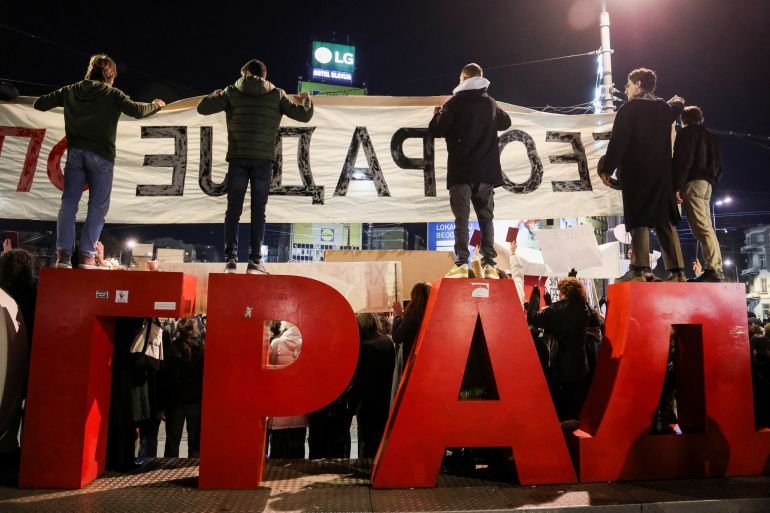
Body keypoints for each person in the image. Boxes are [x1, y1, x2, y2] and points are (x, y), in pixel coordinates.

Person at [33, 54, 165, 269]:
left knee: (68, 205)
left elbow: (40, 104)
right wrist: (156, 104)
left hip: (75, 154)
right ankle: (86, 256)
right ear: (111, 76)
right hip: (102, 156)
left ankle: (63, 256)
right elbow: (138, 111)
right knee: (97, 207)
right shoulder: (113, 94)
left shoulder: (71, 90)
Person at [197, 59, 314, 274]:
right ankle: (254, 261)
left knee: (233, 211)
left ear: (247, 73)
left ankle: (231, 260)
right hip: (263, 161)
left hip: (238, 158)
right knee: (258, 212)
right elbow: (304, 116)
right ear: (263, 75)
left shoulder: (231, 92)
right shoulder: (277, 94)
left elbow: (202, 108)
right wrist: (307, 100)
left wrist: (215, 95)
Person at [599, 68, 686, 282]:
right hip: (661, 175)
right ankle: (677, 272)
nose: (626, 89)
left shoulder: (628, 110)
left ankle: (640, 269)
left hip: (636, 172)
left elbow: (618, 142)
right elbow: (677, 105)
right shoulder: (664, 110)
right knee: (664, 220)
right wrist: (678, 102)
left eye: (628, 84)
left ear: (638, 84)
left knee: (638, 219)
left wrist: (606, 169)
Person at [429, 63, 511, 279]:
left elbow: (437, 130)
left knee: (462, 220)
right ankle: (490, 265)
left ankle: (462, 264)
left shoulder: (454, 103)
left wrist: (437, 115)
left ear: (463, 78)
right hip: (486, 173)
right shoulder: (490, 103)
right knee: (486, 219)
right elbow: (506, 122)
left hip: (461, 172)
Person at [673, 106, 726, 282]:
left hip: (692, 182)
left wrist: (677, 186)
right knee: (706, 226)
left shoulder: (686, 134)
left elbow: (684, 160)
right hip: (707, 184)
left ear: (684, 120)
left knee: (701, 227)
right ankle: (715, 267)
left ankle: (714, 269)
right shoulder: (710, 136)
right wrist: (712, 181)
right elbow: (719, 164)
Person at [527, 278, 590, 426]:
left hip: (560, 365)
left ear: (564, 292)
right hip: (580, 365)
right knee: (573, 409)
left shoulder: (558, 310)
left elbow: (533, 318)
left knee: (559, 410)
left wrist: (535, 295)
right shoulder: (584, 309)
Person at [351, 313, 395, 458]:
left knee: (367, 434)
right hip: (385, 395)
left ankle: (366, 462)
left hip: (366, 398)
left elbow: (359, 377)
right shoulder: (387, 342)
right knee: (381, 433)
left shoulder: (361, 346)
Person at [160, 317, 204, 458]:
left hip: (175, 403)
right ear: (194, 330)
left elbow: (166, 379)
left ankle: (169, 470)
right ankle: (192, 470)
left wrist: (162, 405)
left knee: (172, 442)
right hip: (195, 402)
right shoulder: (200, 350)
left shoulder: (172, 349)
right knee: (195, 443)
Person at [267, 322, 308, 458]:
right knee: (297, 447)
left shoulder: (277, 344)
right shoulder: (308, 345)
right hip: (300, 405)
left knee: (278, 448)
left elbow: (269, 372)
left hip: (280, 406)